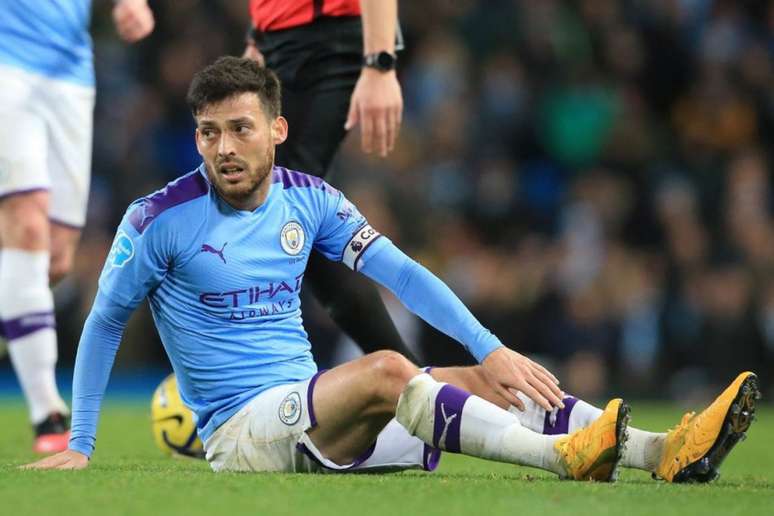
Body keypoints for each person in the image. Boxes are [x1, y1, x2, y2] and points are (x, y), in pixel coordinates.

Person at [25, 58, 758, 483]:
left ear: (276, 131)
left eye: (240, 128)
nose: (224, 147)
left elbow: (404, 273)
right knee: (386, 369)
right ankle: (565, 456)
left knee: (476, 382)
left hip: (316, 411)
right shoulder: (158, 219)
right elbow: (104, 322)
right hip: (244, 435)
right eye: (209, 132)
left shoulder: (309, 201)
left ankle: (666, 453)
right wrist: (80, 444)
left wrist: (489, 348)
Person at [0, 0, 155, 453]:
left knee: (55, 259)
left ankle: (13, 322)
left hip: (69, 73)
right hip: (7, 63)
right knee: (26, 222)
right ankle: (47, 410)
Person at [244, 0, 417, 364]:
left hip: (328, 41)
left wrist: (380, 63)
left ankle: (415, 384)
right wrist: (258, 35)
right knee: (303, 223)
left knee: (286, 207)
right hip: (284, 42)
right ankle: (415, 385)